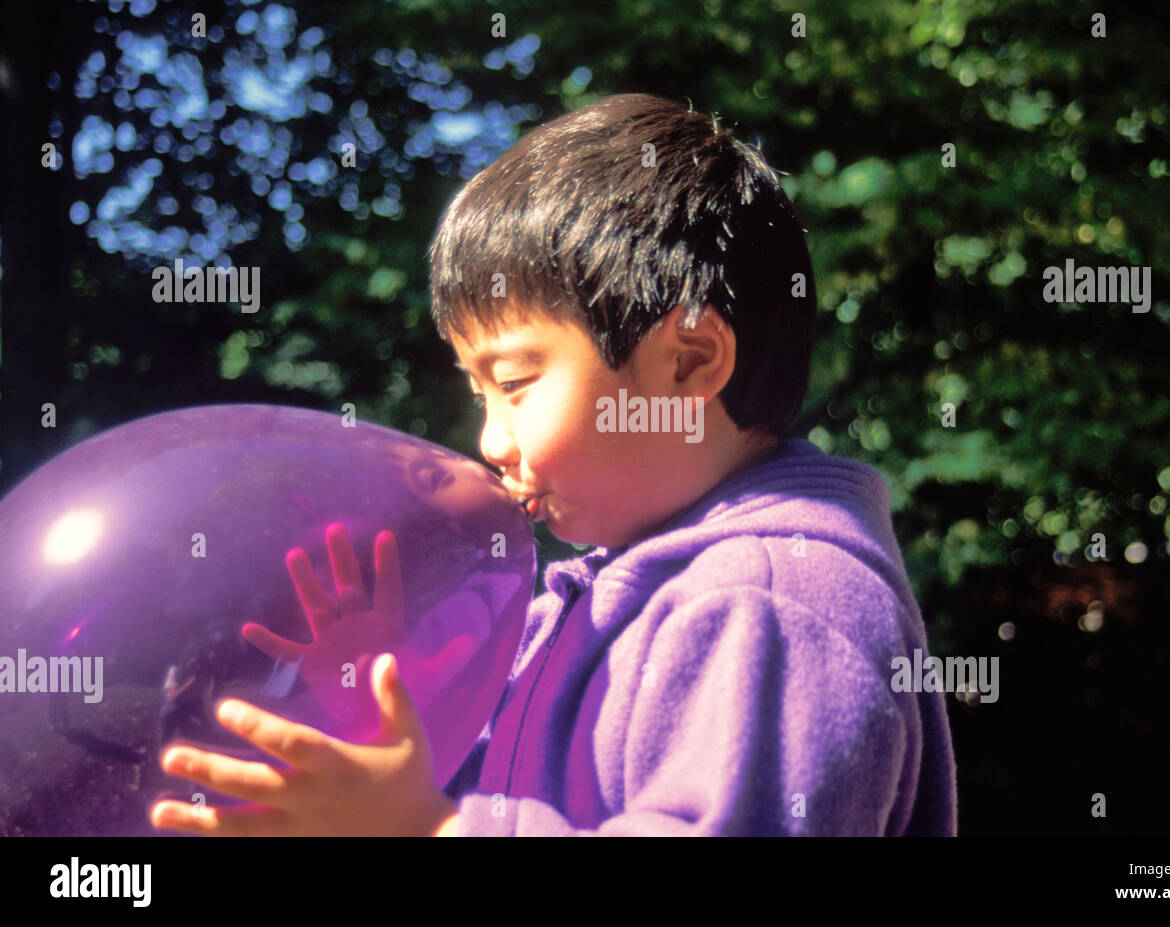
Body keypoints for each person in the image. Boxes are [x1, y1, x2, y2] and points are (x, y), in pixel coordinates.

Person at [151, 92, 956, 837]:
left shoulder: (769, 603)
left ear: (689, 363)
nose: (490, 441)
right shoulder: (578, 608)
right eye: (480, 392)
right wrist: (378, 703)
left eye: (513, 383)